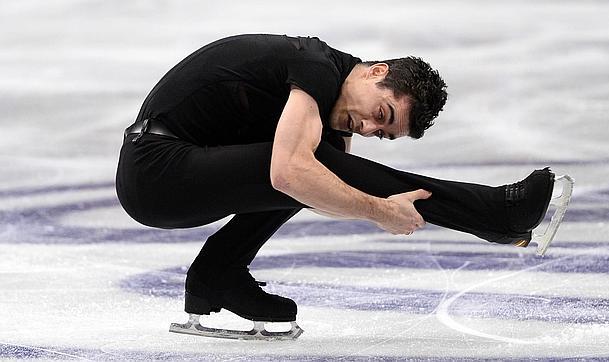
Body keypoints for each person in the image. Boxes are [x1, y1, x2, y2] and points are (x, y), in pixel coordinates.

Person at [115, 34, 561, 339]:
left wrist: (369, 205)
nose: (367, 127)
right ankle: (495, 212)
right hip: (155, 171)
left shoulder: (325, 105)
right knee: (302, 163)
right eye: (381, 114)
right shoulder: (315, 67)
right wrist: (380, 210)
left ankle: (217, 277)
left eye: (380, 134)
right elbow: (288, 176)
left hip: (172, 173)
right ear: (375, 72)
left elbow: (317, 194)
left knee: (315, 162)